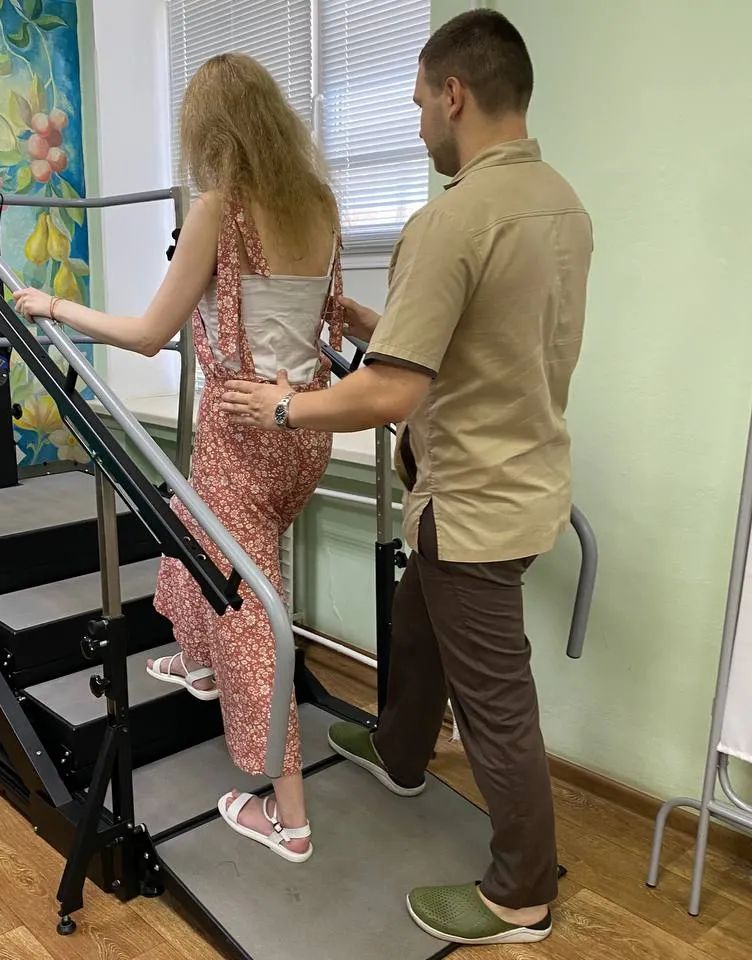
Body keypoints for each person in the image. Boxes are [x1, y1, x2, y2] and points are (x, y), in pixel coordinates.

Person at [220, 9, 592, 947]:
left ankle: (521, 893)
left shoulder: (451, 219)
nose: (419, 121)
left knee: (496, 704)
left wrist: (282, 407)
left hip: (471, 501)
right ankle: (398, 748)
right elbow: (485, 337)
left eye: (421, 101)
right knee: (416, 623)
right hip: (524, 477)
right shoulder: (560, 206)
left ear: (454, 94)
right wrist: (367, 321)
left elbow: (389, 392)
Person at [15, 53, 344, 863]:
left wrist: (52, 305)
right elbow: (326, 315)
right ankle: (197, 662)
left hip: (242, 431)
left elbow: (148, 334)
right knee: (195, 522)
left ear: (210, 132)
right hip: (304, 428)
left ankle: (290, 818)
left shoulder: (220, 210)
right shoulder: (319, 202)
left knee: (252, 618)